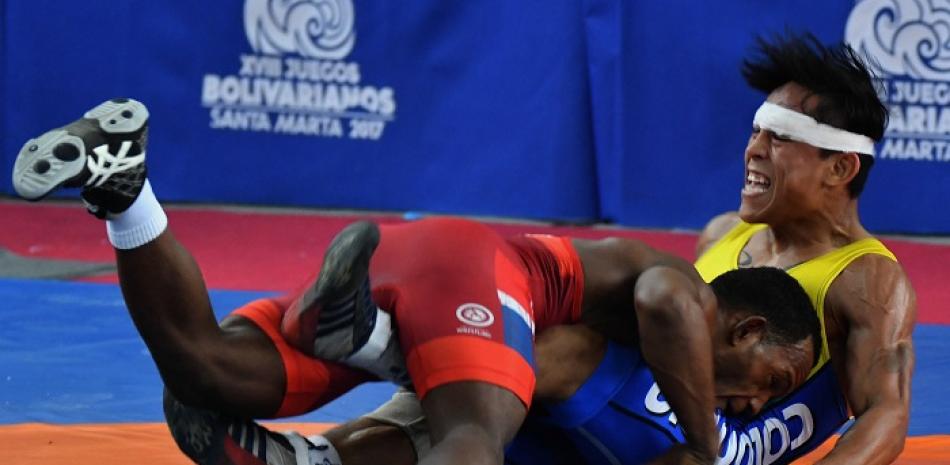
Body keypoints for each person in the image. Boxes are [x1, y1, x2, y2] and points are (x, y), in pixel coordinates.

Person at [235, 32, 917, 465]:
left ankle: (382, 348)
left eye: (780, 137)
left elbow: (884, 416)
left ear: (839, 168)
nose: (754, 150)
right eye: (756, 132)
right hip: (665, 418)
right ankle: (320, 455)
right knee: (499, 399)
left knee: (556, 349)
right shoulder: (724, 234)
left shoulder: (868, 279)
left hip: (716, 447)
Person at [12, 99, 818, 465]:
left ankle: (124, 189)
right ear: (745, 330)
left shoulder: (628, 358)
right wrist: (709, 449)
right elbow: (663, 304)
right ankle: (367, 339)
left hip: (406, 270)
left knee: (206, 368)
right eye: (770, 381)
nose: (757, 402)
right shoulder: (680, 290)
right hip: (481, 274)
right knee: (476, 434)